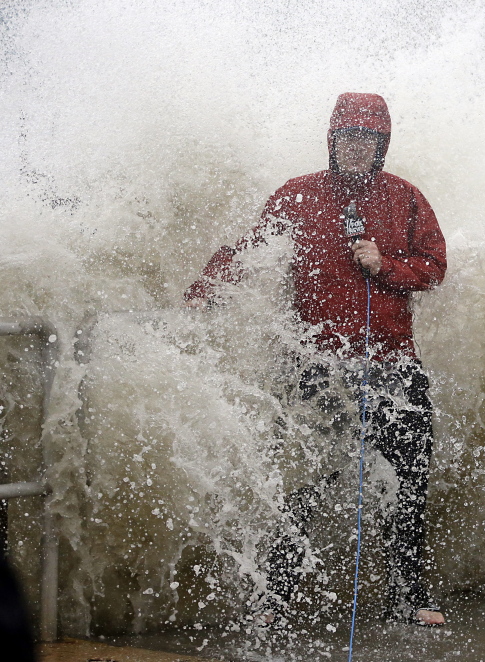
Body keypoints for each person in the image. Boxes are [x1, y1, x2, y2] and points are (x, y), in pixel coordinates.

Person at [184, 93, 446, 627]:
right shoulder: (298, 194)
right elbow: (252, 249)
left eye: (368, 138)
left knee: (410, 482)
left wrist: (387, 264)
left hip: (392, 365)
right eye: (348, 136)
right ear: (332, 141)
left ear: (382, 144)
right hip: (316, 366)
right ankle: (276, 596)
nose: (356, 147)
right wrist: (201, 293)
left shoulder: (407, 199)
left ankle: (409, 596)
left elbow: (435, 266)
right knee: (302, 480)